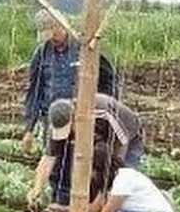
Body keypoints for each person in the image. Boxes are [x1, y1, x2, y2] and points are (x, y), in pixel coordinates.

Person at [21, 8, 118, 156]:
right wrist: (29, 129)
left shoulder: (85, 49)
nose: (51, 39)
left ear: (60, 25)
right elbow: (34, 92)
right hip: (53, 119)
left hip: (81, 118)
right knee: (54, 161)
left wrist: (103, 111)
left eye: (53, 33)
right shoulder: (41, 54)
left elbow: (109, 81)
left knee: (79, 160)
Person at [25, 93, 145, 210]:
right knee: (90, 179)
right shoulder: (58, 122)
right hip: (98, 138)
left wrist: (109, 180)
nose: (68, 135)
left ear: (76, 117)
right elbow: (48, 158)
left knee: (119, 183)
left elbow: (120, 150)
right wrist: (37, 189)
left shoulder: (103, 112)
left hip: (128, 137)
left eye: (69, 129)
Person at [89, 142, 175, 212]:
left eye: (91, 169)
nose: (91, 175)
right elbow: (95, 207)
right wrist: (68, 211)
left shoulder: (123, 177)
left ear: (99, 168)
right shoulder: (109, 182)